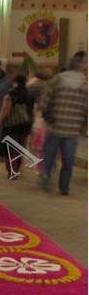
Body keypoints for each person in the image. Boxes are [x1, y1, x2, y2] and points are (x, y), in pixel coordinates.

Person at [40, 54, 88, 195]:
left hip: (54, 126)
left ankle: (47, 179)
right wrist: (83, 126)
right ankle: (64, 187)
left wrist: (48, 118)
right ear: (80, 67)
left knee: (49, 155)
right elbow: (87, 108)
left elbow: (44, 102)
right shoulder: (85, 85)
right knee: (68, 160)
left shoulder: (57, 80)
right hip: (73, 129)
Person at [0, 74, 34, 179]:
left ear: (15, 83)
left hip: (11, 126)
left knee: (10, 149)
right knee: (19, 149)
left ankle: (12, 172)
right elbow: (32, 110)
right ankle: (17, 170)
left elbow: (5, 109)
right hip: (25, 126)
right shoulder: (29, 94)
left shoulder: (11, 94)